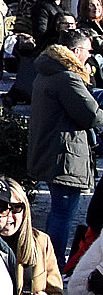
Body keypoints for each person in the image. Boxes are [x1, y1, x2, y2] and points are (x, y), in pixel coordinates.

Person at [26, 28, 102, 266]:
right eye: (88, 52)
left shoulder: (49, 70)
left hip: (54, 150)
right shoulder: (66, 77)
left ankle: (50, 263)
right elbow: (91, 116)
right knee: (63, 214)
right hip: (65, 155)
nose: (89, 57)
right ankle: (54, 266)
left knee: (59, 212)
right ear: (77, 51)